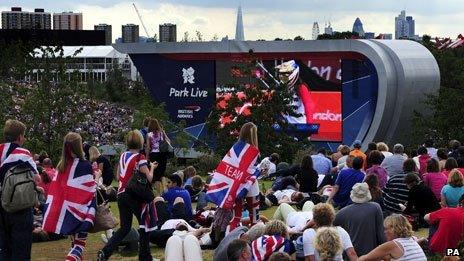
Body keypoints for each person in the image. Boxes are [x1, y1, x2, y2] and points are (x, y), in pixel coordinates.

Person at [98, 130, 157, 261]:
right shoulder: (140, 158)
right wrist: (152, 167)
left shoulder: (123, 156)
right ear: (141, 142)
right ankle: (145, 257)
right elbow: (149, 179)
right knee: (144, 225)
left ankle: (105, 252)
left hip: (121, 194)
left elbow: (119, 176)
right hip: (134, 195)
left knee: (124, 228)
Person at [42, 132, 97, 260]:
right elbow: (90, 188)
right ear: (79, 146)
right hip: (80, 211)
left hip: (66, 212)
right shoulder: (85, 166)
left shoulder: (61, 166)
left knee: (74, 243)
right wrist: (97, 177)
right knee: (79, 245)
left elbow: (57, 190)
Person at [208, 122, 261, 243]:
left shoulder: (235, 148)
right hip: (250, 186)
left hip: (237, 186)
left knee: (236, 217)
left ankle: (231, 241)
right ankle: (255, 241)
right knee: (254, 217)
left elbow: (228, 166)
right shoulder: (253, 150)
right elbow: (252, 169)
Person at [0, 120, 39, 260]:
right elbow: (36, 178)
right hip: (19, 206)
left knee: (4, 249)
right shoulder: (23, 153)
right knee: (21, 250)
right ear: (20, 137)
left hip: (1, 207)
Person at [334, 183, 385, 256]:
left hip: (350, 254)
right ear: (367, 194)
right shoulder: (376, 207)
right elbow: (381, 234)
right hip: (371, 254)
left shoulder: (342, 212)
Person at [358, 214, 427, 260]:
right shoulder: (412, 240)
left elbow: (365, 259)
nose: (384, 232)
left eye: (386, 229)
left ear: (393, 229)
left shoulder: (393, 245)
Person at [145, 118, 169, 194]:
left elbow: (148, 147)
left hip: (154, 155)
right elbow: (168, 141)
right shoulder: (161, 133)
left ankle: (158, 194)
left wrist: (147, 157)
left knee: (156, 177)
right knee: (162, 174)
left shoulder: (149, 135)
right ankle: (165, 189)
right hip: (163, 154)